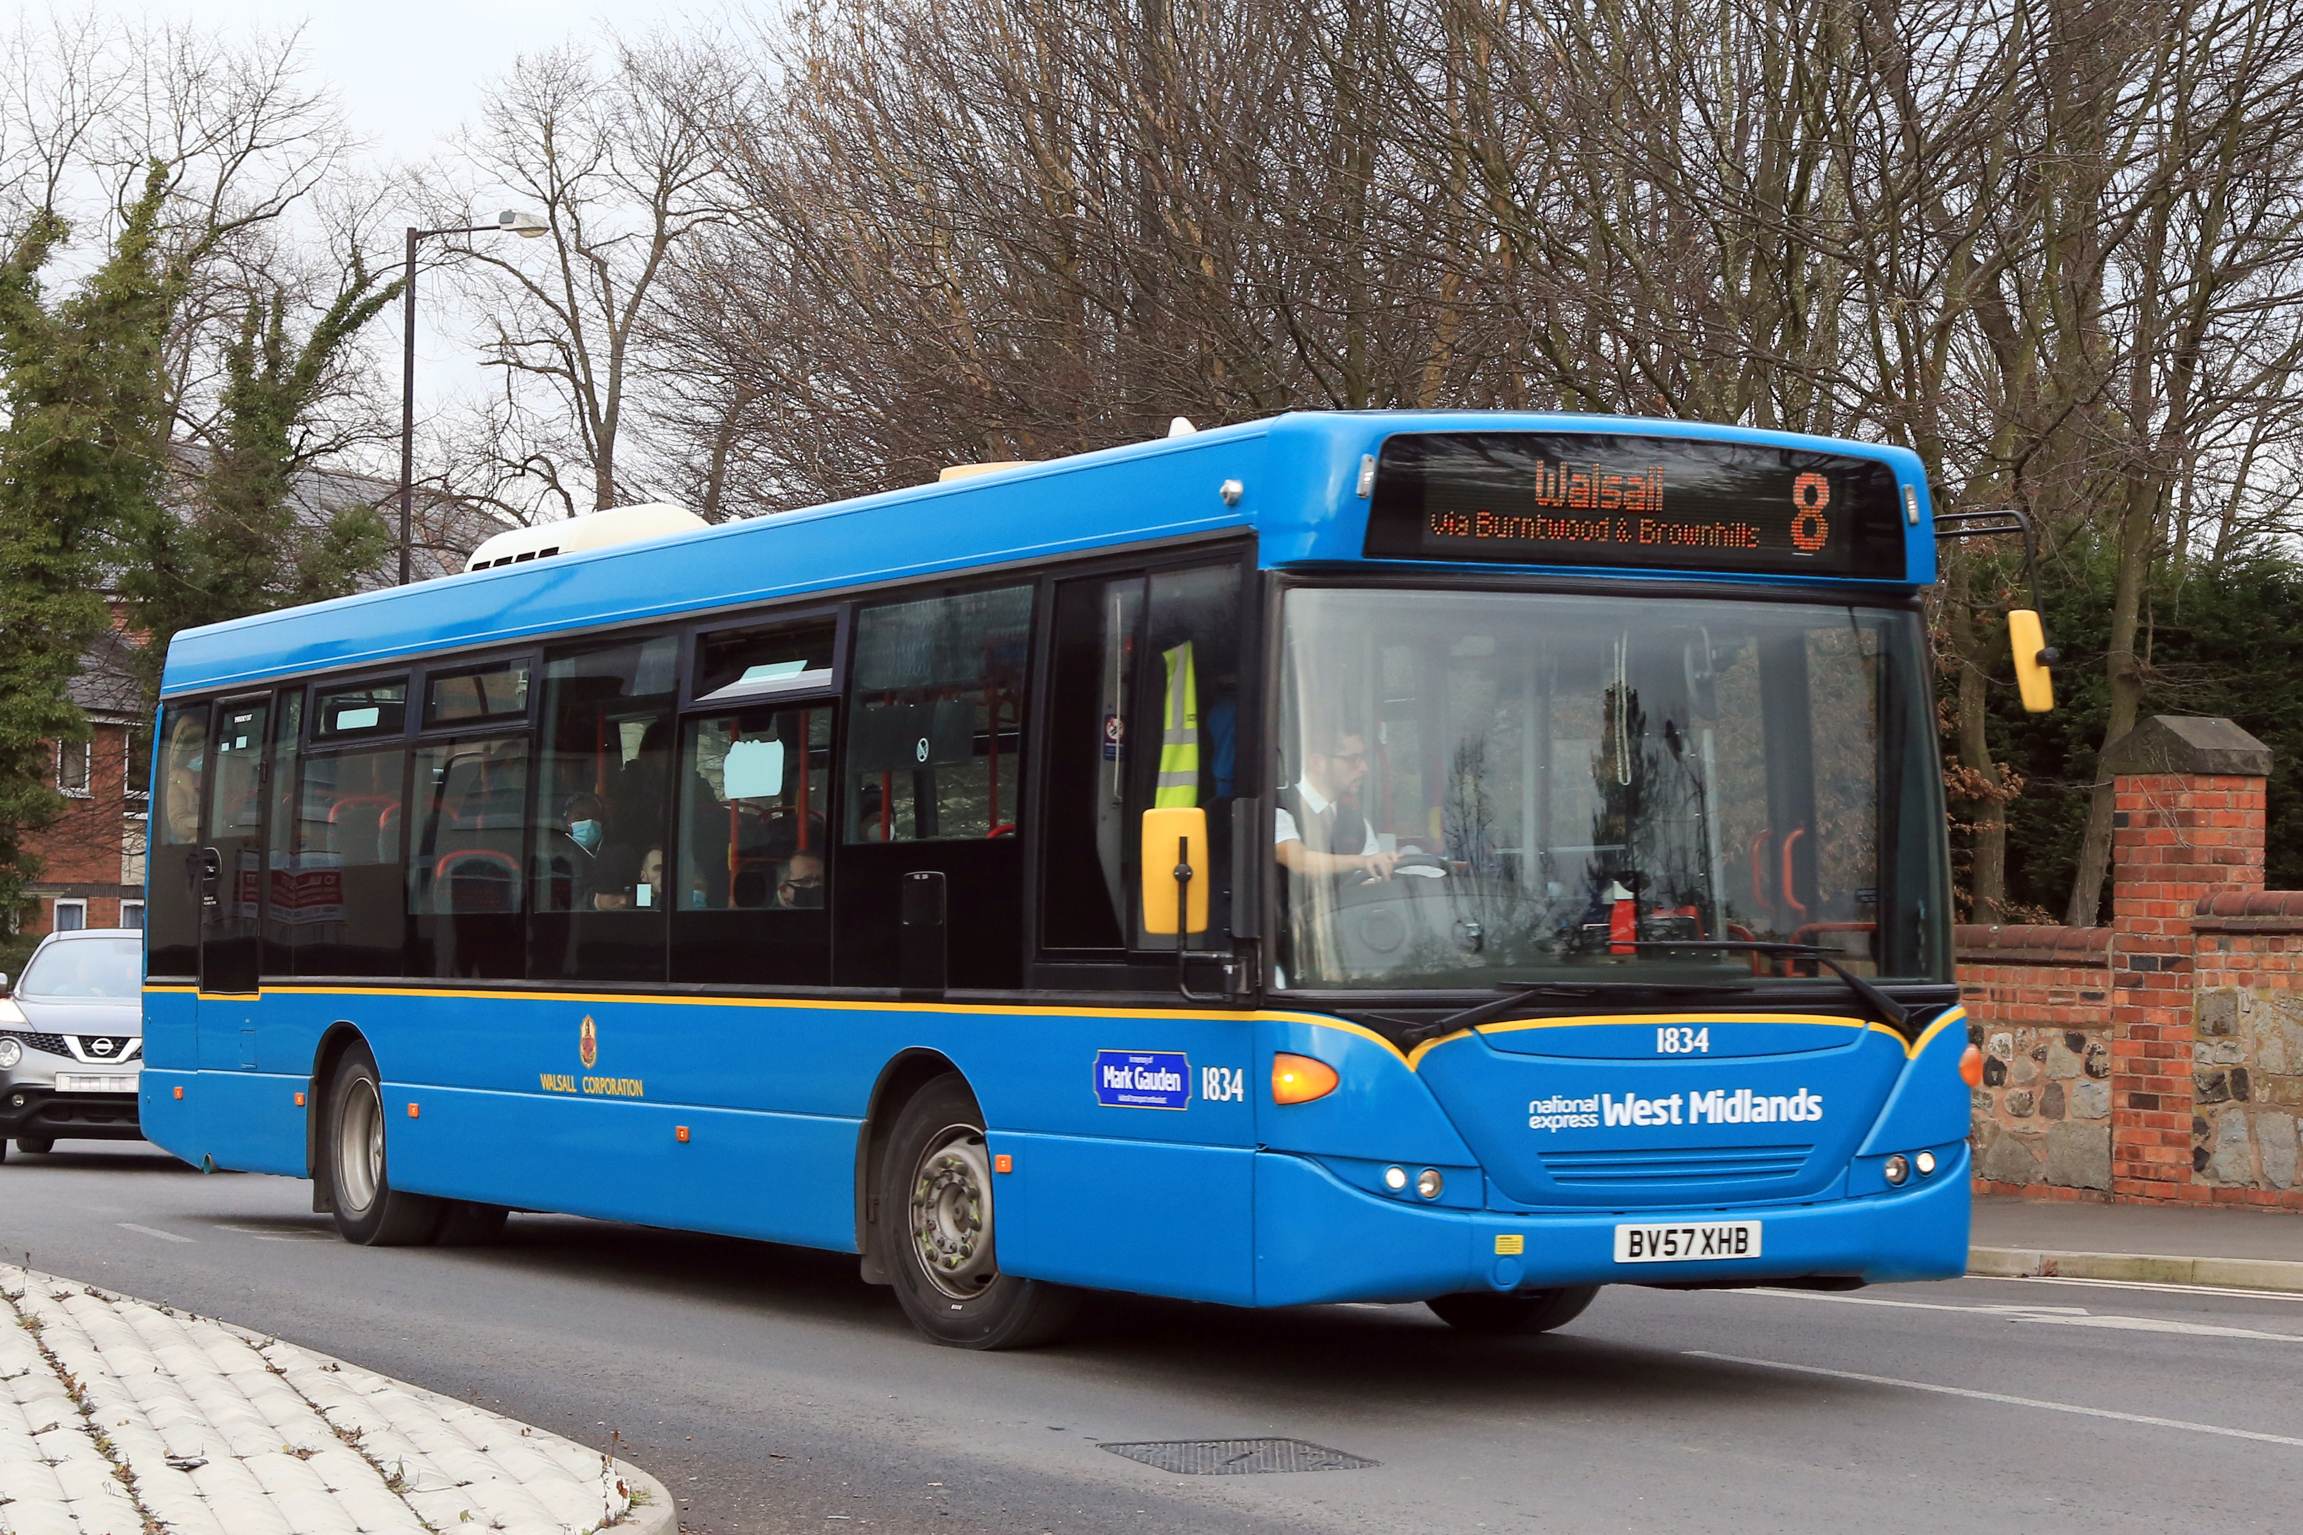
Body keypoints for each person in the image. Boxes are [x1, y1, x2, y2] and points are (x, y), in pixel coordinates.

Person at [1275, 725, 1397, 881]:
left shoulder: (1356, 821)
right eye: (1353, 759)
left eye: (1364, 758)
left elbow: (1370, 874)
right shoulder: (1280, 806)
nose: (1364, 768)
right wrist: (1362, 861)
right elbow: (1298, 861)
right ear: (1317, 763)